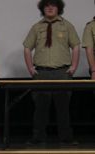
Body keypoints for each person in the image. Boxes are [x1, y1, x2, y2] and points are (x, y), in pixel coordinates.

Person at [23, 0, 80, 145]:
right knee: (40, 109)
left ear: (58, 8)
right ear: (43, 9)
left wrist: (73, 66)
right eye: (46, 5)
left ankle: (66, 138)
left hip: (62, 72)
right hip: (42, 73)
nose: (49, 8)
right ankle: (38, 138)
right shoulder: (37, 27)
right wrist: (31, 68)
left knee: (63, 108)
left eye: (53, 5)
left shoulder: (67, 26)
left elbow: (76, 46)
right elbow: (27, 47)